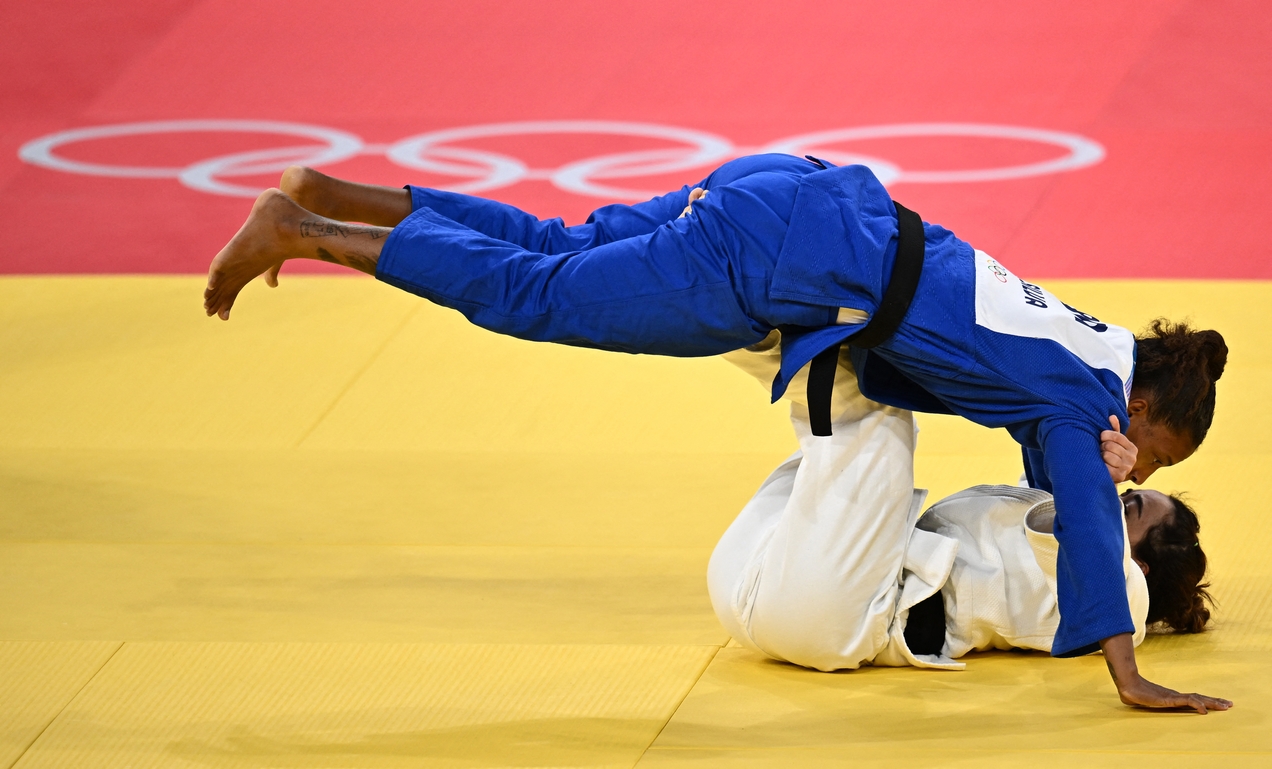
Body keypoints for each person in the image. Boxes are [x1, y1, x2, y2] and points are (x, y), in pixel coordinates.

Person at [204, 154, 1228, 710]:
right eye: (1153, 452)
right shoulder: (1080, 407)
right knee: (543, 296)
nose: (1130, 462)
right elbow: (1087, 522)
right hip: (788, 268)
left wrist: (1089, 450)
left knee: (567, 245)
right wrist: (1127, 670)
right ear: (1148, 413)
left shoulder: (1085, 343)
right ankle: (308, 232)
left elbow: (1028, 425)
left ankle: (338, 192)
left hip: (804, 190)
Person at [709, 342, 1220, 714]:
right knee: (838, 390)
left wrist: (1097, 486)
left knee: (874, 413)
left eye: (1131, 510)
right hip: (757, 564)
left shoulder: (1123, 597)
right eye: (1129, 493)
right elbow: (1046, 473)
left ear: (1143, 563)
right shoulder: (1077, 511)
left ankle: (738, 285)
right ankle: (747, 318)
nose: (1130, 483)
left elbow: (1065, 530)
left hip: (836, 613)